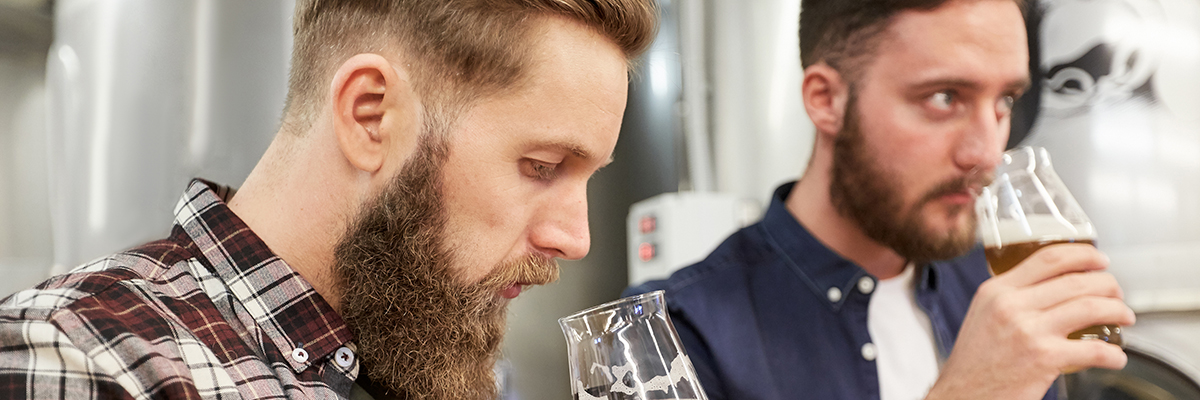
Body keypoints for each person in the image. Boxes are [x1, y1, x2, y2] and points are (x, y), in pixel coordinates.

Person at [0, 1, 656, 399]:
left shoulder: (408, 347)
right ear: (371, 115)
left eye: (590, 176)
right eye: (542, 166)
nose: (578, 238)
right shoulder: (87, 364)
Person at [625, 0, 1135, 399]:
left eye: (1004, 101)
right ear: (826, 100)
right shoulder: (671, 336)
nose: (986, 151)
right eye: (944, 97)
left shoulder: (994, 289)